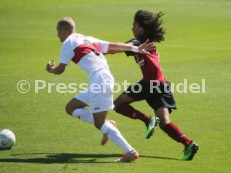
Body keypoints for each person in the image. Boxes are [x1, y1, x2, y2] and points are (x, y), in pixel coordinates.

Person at [46, 17, 155, 162]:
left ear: (64, 30)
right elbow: (112, 46)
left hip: (100, 80)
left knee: (100, 123)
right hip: (101, 79)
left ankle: (130, 152)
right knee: (71, 108)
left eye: (58, 31)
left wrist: (51, 70)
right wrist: (136, 48)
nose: (57, 35)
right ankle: (108, 125)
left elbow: (60, 70)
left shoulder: (68, 43)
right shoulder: (86, 39)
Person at [102, 10, 198, 161]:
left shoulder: (138, 42)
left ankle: (147, 120)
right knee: (165, 122)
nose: (132, 27)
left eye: (134, 24)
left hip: (149, 84)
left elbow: (117, 48)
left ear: (141, 27)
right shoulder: (146, 42)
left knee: (118, 104)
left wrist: (96, 49)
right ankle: (188, 143)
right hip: (161, 84)